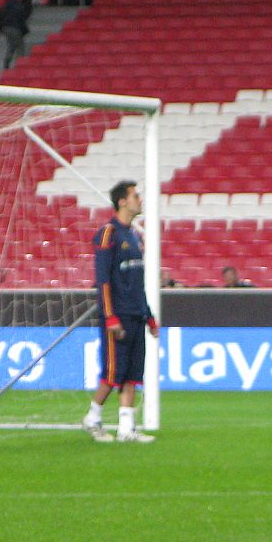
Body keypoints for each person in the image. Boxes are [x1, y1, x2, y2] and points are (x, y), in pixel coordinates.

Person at [82, 180, 159, 443]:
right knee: (113, 374)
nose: (140, 199)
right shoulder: (108, 234)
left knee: (133, 375)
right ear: (123, 202)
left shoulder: (134, 235)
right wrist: (110, 316)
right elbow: (102, 280)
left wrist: (148, 314)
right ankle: (93, 417)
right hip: (118, 316)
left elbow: (137, 282)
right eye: (136, 195)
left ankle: (127, 428)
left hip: (136, 314)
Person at [0, 0, 31, 68]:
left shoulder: (7, 4)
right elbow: (21, 19)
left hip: (6, 27)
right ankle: (20, 66)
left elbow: (2, 15)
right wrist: (25, 30)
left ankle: (7, 62)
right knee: (20, 46)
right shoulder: (18, 5)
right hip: (14, 27)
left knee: (12, 45)